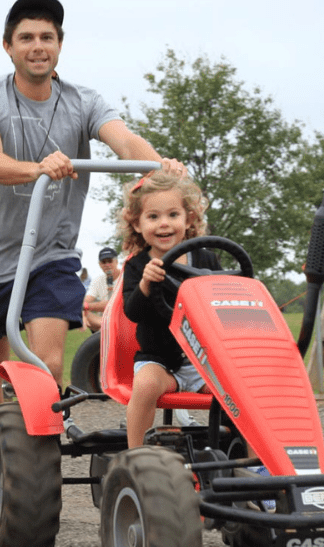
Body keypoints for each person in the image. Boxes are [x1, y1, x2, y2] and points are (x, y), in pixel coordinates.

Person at [0, 0, 183, 435]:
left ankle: (35, 451)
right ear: (8, 46)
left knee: (49, 361)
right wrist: (38, 168)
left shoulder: (83, 101)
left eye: (47, 36)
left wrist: (161, 169)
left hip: (50, 254)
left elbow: (125, 143)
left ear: (59, 45)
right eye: (26, 38)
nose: (37, 46)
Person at [119, 170, 217, 448]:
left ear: (189, 220)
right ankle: (135, 453)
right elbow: (133, 312)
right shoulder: (137, 266)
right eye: (153, 217)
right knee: (146, 386)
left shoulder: (206, 258)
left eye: (173, 215)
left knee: (240, 389)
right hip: (159, 361)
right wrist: (146, 284)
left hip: (203, 362)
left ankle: (248, 460)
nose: (164, 224)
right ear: (137, 224)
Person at [82, 247, 122, 333]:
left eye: (110, 261)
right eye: (104, 262)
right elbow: (86, 300)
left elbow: (114, 305)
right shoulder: (97, 280)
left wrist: (86, 306)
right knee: (81, 311)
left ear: (116, 262)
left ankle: (106, 327)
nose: (107, 265)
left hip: (123, 319)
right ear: (99, 264)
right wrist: (83, 308)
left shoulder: (126, 276)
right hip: (102, 321)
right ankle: (106, 326)